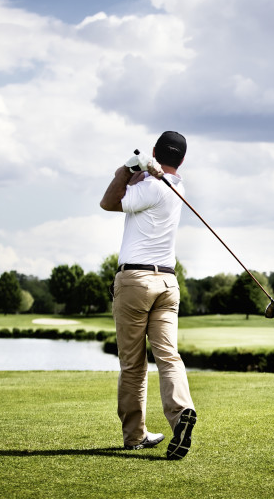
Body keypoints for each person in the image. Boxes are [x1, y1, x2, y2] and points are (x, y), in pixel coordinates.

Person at [100, 131, 196, 460]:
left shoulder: (151, 186)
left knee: (133, 365)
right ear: (181, 160)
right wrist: (145, 170)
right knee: (168, 357)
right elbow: (150, 181)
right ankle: (182, 411)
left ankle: (135, 436)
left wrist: (126, 168)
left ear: (155, 151)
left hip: (135, 280)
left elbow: (109, 202)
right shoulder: (177, 187)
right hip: (167, 284)